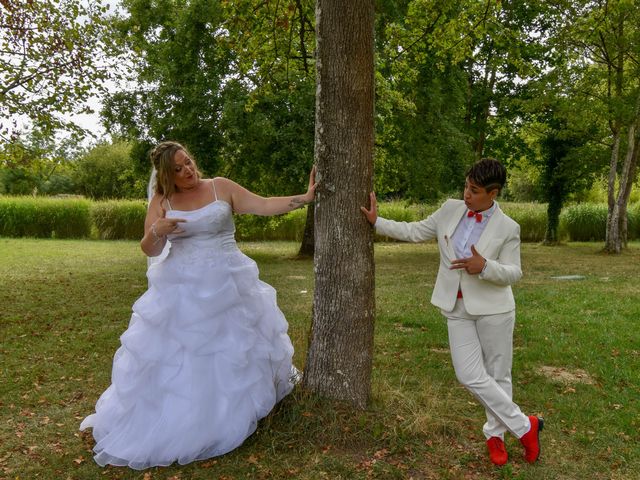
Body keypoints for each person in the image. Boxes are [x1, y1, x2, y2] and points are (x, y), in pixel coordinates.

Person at [80, 141, 315, 470]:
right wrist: (157, 231)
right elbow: (148, 249)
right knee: (185, 355)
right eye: (177, 169)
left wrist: (303, 199)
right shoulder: (163, 201)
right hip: (182, 289)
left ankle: (240, 409)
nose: (187, 170)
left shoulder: (220, 187)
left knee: (235, 347)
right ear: (166, 175)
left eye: (187, 162)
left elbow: (262, 204)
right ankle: (191, 417)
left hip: (229, 282)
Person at [361, 158, 543, 466]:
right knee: (468, 374)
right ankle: (526, 426)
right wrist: (379, 222)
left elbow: (514, 273)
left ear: (493, 193)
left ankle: (495, 435)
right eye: (466, 186)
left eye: (474, 190)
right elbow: (416, 230)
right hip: (454, 304)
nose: (467, 195)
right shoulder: (450, 209)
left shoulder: (509, 228)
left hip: (494, 309)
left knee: (499, 374)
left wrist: (484, 266)